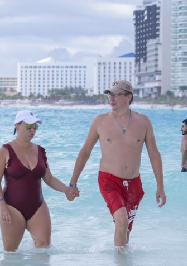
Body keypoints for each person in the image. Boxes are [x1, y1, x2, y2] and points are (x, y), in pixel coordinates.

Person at [70, 80, 166, 247]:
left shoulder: (143, 122)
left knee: (125, 231)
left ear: (129, 96)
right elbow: (85, 152)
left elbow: (154, 155)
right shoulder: (100, 121)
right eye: (110, 94)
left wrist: (160, 186)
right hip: (109, 180)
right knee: (121, 221)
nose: (111, 98)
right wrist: (73, 182)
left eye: (116, 94)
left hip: (134, 184)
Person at [0, 110, 77, 252]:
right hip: (12, 208)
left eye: (35, 127)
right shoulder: (5, 150)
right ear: (17, 126)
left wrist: (66, 189)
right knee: (11, 255)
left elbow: (49, 178)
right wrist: (2, 205)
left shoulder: (40, 151)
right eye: (28, 126)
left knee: (44, 250)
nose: (32, 130)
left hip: (38, 207)